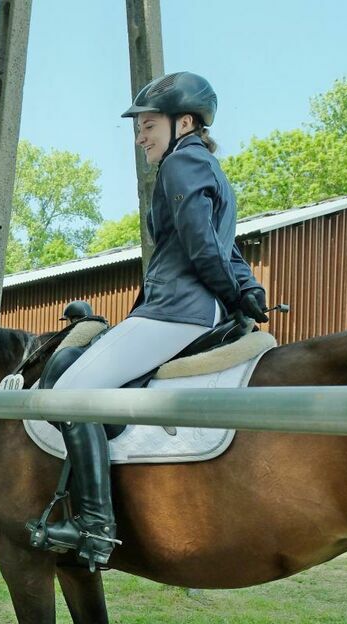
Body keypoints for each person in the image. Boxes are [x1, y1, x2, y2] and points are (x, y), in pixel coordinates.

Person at [34, 71, 267, 573]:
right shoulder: (206, 166)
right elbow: (223, 246)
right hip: (190, 308)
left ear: (185, 121)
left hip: (175, 311)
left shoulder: (182, 163)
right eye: (137, 128)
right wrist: (246, 290)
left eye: (148, 125)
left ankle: (95, 527)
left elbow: (203, 249)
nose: (140, 136)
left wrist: (234, 293)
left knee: (68, 394)